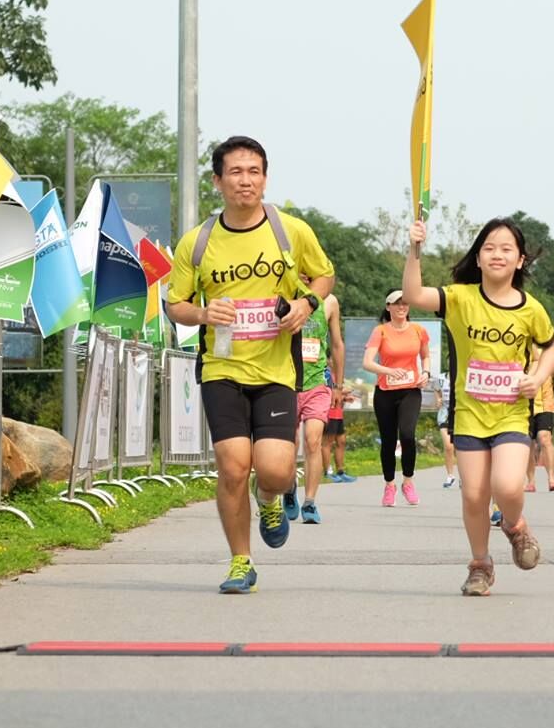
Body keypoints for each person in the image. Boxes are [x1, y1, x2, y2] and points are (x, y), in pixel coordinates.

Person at [167, 136, 335, 594]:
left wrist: (306, 303)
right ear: (218, 181)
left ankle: (271, 499)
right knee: (233, 467)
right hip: (221, 368)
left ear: (265, 177)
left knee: (276, 471)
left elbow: (323, 274)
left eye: (255, 171)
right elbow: (175, 304)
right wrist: (202, 314)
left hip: (278, 370)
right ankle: (241, 561)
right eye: (236, 172)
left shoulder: (290, 230)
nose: (246, 180)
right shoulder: (197, 242)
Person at [403, 216, 554, 595]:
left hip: (510, 413)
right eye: (489, 248)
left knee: (507, 485)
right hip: (470, 414)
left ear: (520, 260)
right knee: (473, 494)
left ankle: (515, 525)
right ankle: (480, 565)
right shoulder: (460, 298)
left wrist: (537, 378)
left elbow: (552, 345)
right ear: (477, 258)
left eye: (507, 249)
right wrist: (415, 250)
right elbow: (413, 295)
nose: (497, 254)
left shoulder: (530, 309)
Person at [362, 290, 431, 506]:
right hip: (385, 393)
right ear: (388, 307)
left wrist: (426, 373)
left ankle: (408, 482)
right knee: (389, 440)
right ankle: (389, 484)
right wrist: (388, 371)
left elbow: (426, 355)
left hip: (410, 390)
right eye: (397, 304)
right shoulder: (380, 331)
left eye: (405, 304)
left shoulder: (419, 330)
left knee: (408, 435)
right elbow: (367, 362)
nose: (401, 307)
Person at [283, 287, 344, 524]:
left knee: (313, 439)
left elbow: (337, 345)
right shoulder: (285, 292)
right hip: (286, 381)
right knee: (289, 444)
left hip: (318, 383)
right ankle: (289, 489)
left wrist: (338, 385)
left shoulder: (329, 302)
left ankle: (310, 502)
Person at [526, 346, 554, 492]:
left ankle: (551, 478)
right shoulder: (519, 349)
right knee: (528, 443)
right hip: (525, 404)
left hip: (546, 403)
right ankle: (531, 481)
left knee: (544, 438)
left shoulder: (548, 352)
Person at [436, 372, 457, 487]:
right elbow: (437, 390)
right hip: (444, 414)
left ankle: (464, 477)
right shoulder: (441, 378)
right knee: (449, 446)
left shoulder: (462, 374)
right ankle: (450, 475)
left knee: (460, 448)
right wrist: (438, 399)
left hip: (459, 414)